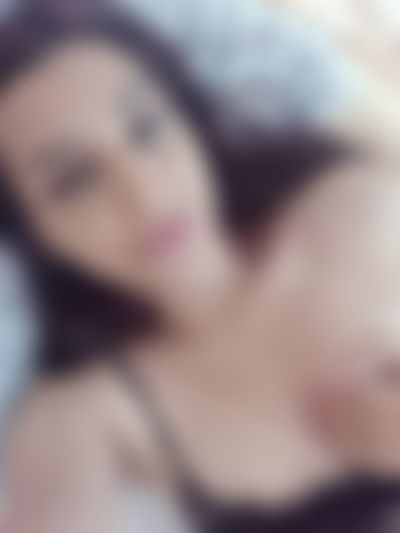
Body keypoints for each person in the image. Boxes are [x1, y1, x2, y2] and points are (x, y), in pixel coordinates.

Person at [0, 6, 399, 533]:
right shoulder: (84, 410)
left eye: (147, 128)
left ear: (189, 121)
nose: (144, 193)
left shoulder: (355, 210)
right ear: (35, 232)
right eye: (75, 180)